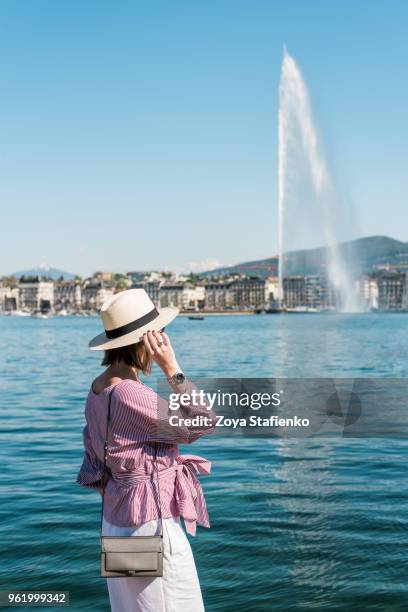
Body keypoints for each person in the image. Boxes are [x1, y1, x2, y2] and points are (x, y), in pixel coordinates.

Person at [76, 288, 216, 612]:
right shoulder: (131, 394)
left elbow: (94, 465)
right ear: (145, 341)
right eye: (161, 334)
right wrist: (172, 369)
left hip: (116, 522)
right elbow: (203, 421)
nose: (165, 341)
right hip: (151, 525)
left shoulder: (97, 389)